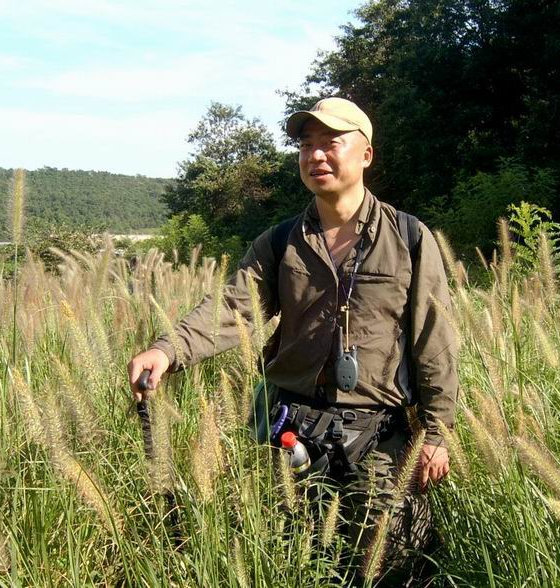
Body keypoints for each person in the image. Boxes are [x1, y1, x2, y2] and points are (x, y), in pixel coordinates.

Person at [128, 97, 458, 585]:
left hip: (379, 440)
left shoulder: (408, 237)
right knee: (290, 562)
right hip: (290, 435)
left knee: (393, 567)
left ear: (366, 154)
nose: (315, 155)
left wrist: (436, 433)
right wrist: (167, 349)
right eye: (306, 145)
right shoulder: (281, 242)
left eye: (331, 142)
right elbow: (233, 308)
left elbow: (435, 340)